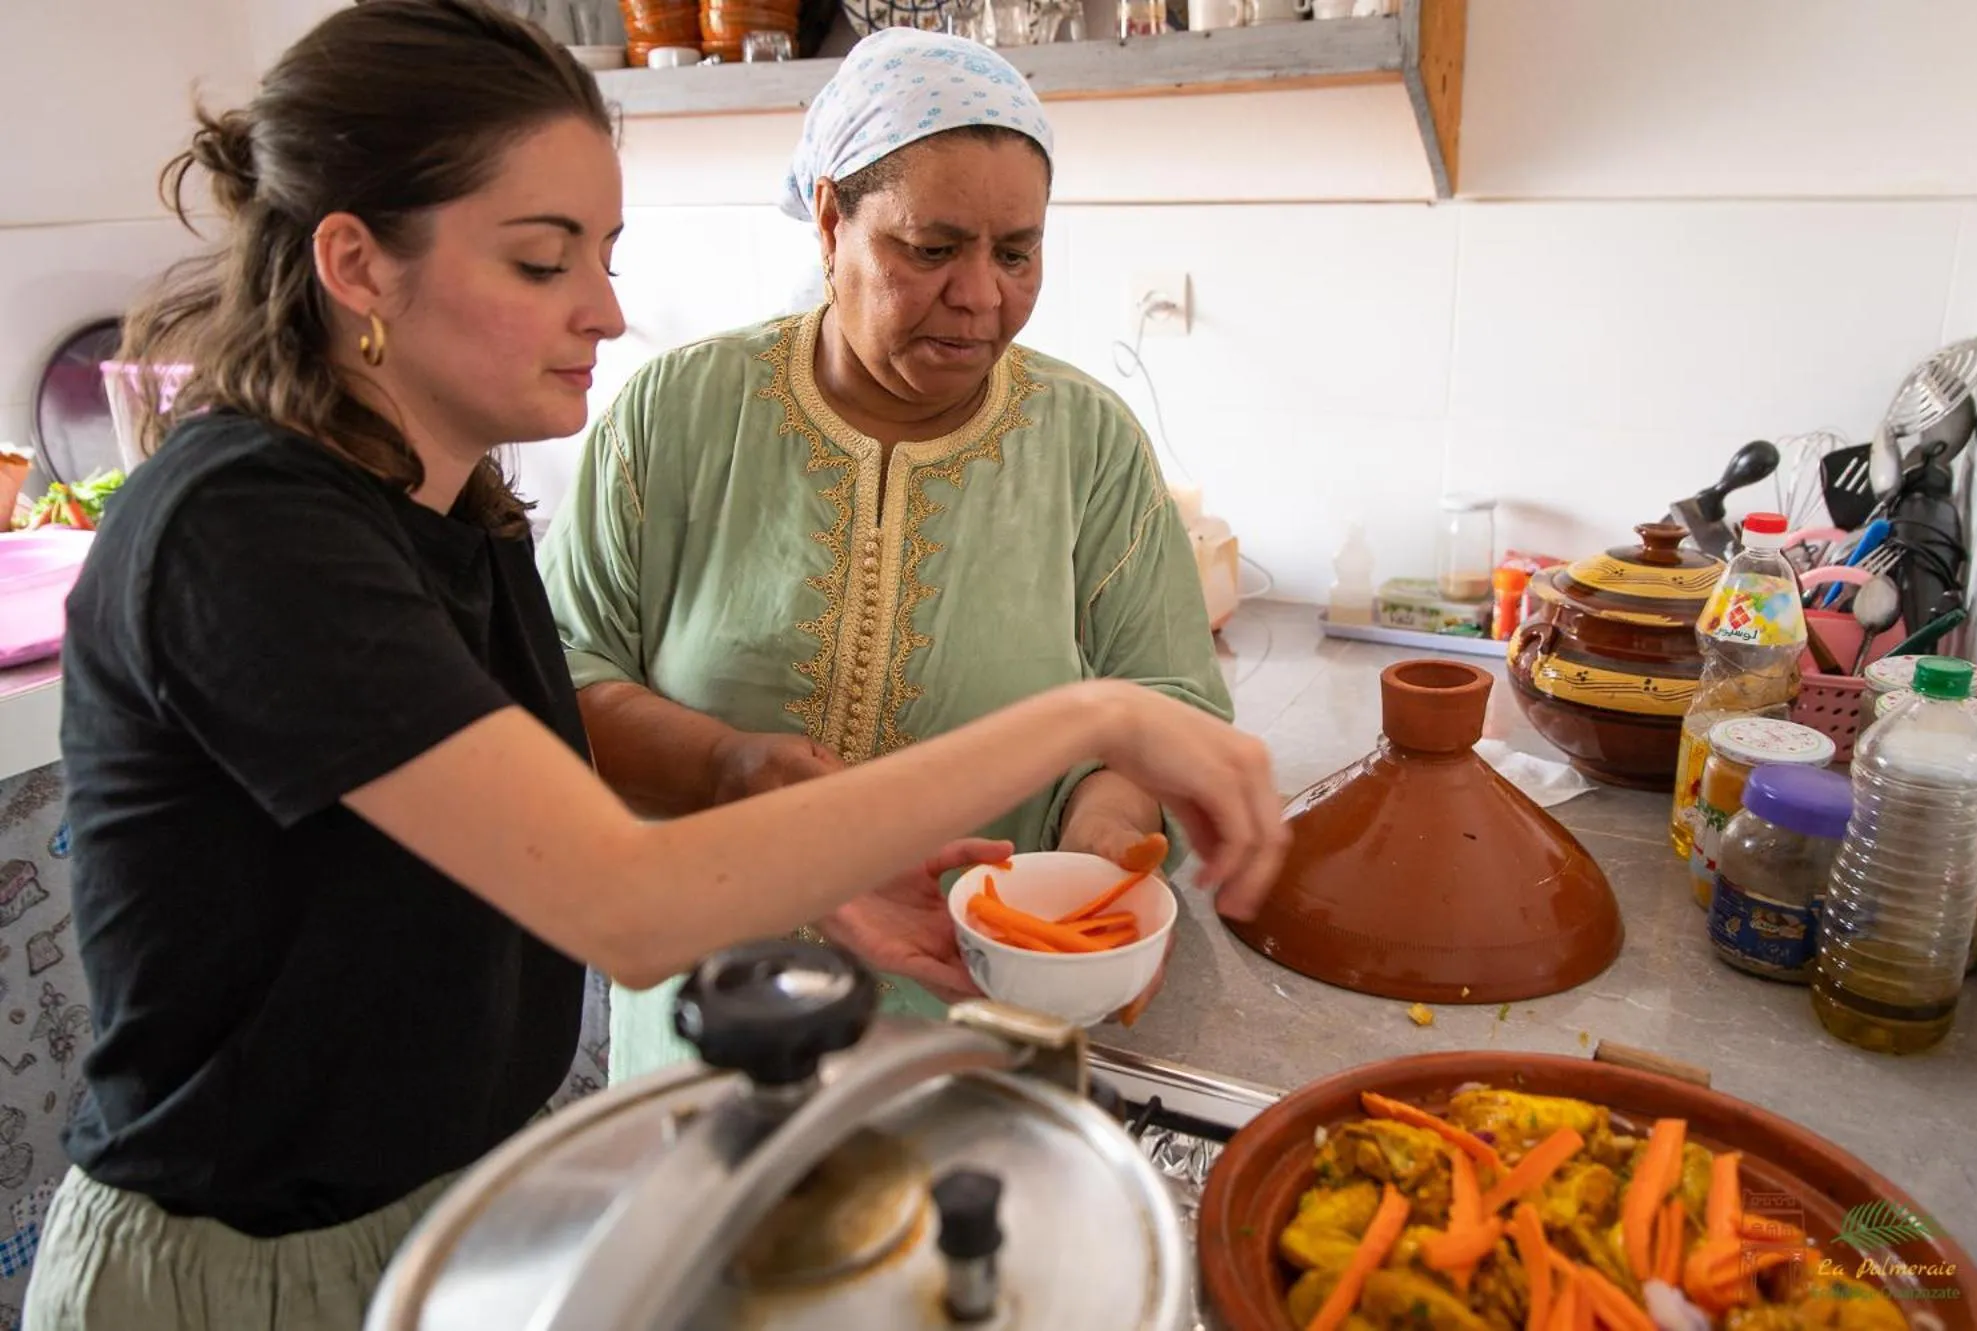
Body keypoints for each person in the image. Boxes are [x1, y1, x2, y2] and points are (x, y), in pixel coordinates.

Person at [22, 5, 1285, 1328]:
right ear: (356, 263)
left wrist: (843, 868)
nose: (610, 311)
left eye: (605, 254)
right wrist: (1086, 714)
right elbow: (623, 899)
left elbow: (532, 825)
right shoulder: (244, 532)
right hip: (253, 1269)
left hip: (447, 1211)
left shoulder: (460, 515)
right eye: (541, 260)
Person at [538, 28, 1231, 1082]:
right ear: (830, 219)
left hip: (974, 1024)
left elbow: (1167, 697)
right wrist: (731, 771)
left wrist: (1103, 832)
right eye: (931, 247)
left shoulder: (1085, 443)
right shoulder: (672, 418)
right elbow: (556, 673)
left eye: (1015, 253)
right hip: (711, 1028)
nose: (980, 297)